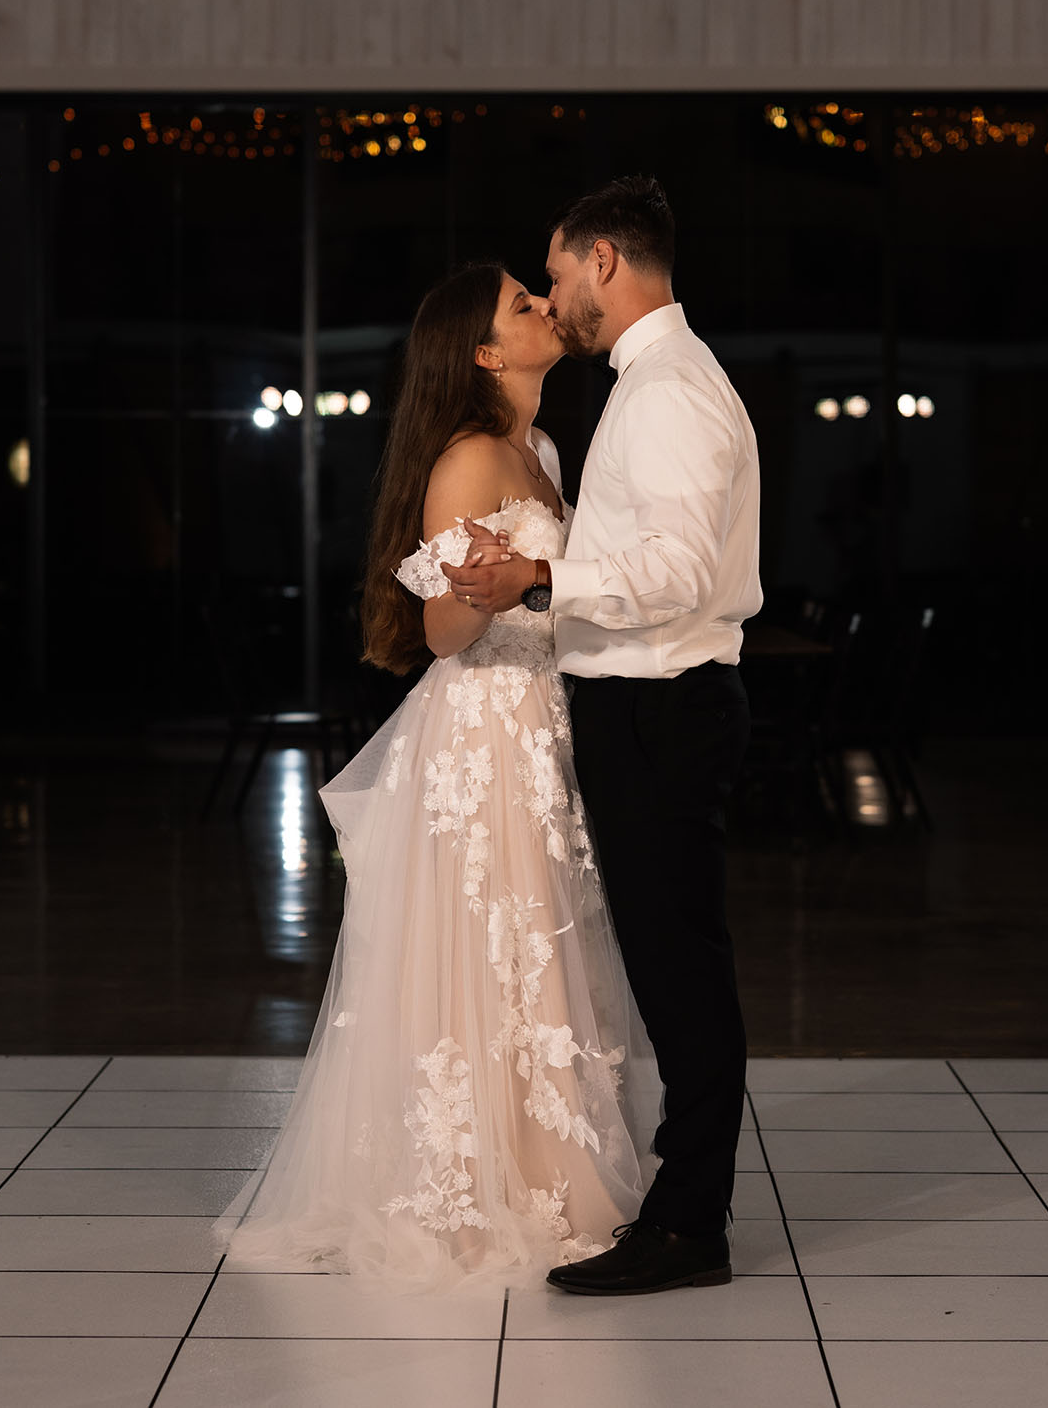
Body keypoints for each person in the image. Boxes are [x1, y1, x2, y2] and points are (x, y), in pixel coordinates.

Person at [218, 262, 652, 1291]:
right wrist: (479, 593)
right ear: (486, 352)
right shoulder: (466, 458)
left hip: (546, 724)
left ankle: (545, 1170)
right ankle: (470, 1189)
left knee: (543, 950)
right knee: (493, 947)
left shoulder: (538, 446)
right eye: (521, 302)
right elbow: (441, 629)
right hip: (486, 734)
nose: (544, 305)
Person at [445, 175, 763, 1297]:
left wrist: (538, 575)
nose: (551, 292)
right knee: (676, 964)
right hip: (646, 705)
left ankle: (687, 1226)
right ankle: (683, 1206)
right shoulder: (653, 381)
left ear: (604, 263)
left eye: (557, 271)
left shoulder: (669, 390)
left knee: (681, 970)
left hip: (661, 705)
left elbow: (673, 575)